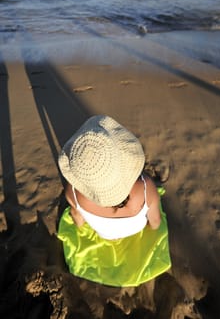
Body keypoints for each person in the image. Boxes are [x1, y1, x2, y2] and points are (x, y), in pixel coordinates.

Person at [57, 115, 171, 287]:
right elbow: (155, 222)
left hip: (103, 233)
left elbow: (78, 219)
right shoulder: (145, 188)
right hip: (133, 230)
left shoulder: (72, 192)